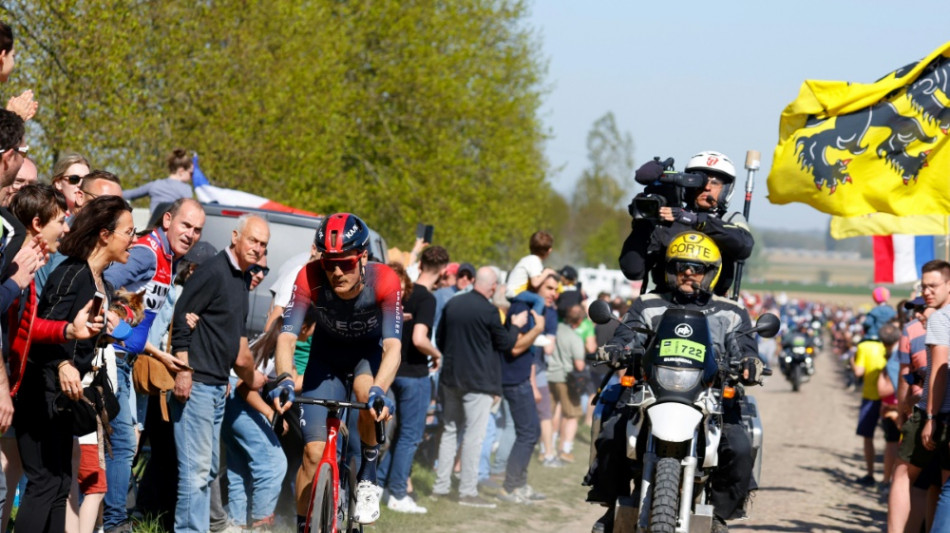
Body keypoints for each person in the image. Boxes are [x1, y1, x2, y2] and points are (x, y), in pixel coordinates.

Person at [586, 231, 763, 533]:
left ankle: (719, 513)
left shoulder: (731, 311)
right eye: (681, 267)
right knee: (612, 432)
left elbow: (744, 347)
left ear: (711, 273)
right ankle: (614, 504)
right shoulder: (647, 304)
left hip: (711, 395)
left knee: (739, 446)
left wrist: (750, 362)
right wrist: (617, 348)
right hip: (652, 392)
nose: (689, 274)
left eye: (697, 269)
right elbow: (626, 335)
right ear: (670, 270)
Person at [269, 212, 402, 532]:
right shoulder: (309, 276)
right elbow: (286, 336)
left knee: (365, 395)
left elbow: (393, 347)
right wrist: (285, 378)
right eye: (329, 263)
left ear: (364, 258)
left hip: (365, 360)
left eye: (346, 262)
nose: (337, 271)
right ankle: (305, 525)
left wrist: (380, 390)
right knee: (313, 455)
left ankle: (368, 473)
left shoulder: (385, 280)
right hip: (324, 362)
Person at [13, 195, 133, 533]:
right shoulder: (72, 273)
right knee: (43, 484)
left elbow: (75, 336)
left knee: (61, 482)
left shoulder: (101, 282)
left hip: (64, 399)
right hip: (41, 392)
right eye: (129, 231)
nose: (133, 240)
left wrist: (102, 338)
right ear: (105, 235)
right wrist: (64, 363)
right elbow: (37, 331)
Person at [100, 197, 203, 532]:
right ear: (168, 220)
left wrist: (157, 353)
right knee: (123, 443)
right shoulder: (148, 251)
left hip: (128, 357)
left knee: (121, 442)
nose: (190, 234)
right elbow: (103, 282)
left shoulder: (168, 256)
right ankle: (115, 522)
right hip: (111, 357)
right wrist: (117, 327)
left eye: (197, 230)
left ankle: (107, 519)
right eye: (185, 225)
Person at [169, 214, 269, 533]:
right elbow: (182, 318)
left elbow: (238, 345)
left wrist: (241, 378)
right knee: (195, 473)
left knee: (209, 469)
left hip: (217, 386)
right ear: (236, 236)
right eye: (252, 240)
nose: (257, 248)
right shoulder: (213, 271)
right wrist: (183, 370)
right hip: (195, 383)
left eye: (263, 244)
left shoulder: (241, 279)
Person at [431, 266, 524, 508]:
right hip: (478, 383)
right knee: (474, 436)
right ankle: (467, 492)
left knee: (450, 431)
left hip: (451, 378)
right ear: (492, 286)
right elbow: (505, 344)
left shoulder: (453, 304)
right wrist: (515, 325)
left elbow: (439, 338)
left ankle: (440, 488)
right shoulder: (490, 311)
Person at [618, 151, 754, 297]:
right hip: (664, 306)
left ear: (727, 189)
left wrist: (697, 221)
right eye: (699, 180)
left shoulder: (729, 219)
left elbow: (744, 245)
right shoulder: (668, 218)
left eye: (714, 182)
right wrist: (643, 223)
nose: (706, 187)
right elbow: (633, 270)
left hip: (714, 308)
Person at [378, 246, 445, 514]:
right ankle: (397, 493)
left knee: (397, 437)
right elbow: (419, 339)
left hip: (392, 370)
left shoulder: (403, 291)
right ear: (441, 270)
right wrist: (436, 353)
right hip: (414, 375)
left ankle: (382, 485)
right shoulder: (426, 298)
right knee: (410, 436)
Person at [496, 273, 552, 504]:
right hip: (513, 379)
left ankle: (519, 484)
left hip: (521, 378)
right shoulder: (521, 306)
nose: (553, 293)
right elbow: (515, 348)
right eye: (549, 287)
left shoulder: (529, 306)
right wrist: (537, 329)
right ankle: (510, 488)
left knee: (531, 433)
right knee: (528, 433)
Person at [547, 304, 587, 464]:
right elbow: (579, 365)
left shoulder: (554, 328)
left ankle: (548, 446)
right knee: (572, 415)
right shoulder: (574, 337)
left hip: (549, 375)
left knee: (553, 412)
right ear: (578, 321)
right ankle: (565, 449)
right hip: (566, 378)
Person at [853, 324, 890, 485]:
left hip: (870, 396)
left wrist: (852, 361)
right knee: (891, 440)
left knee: (868, 437)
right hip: (889, 397)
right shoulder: (887, 345)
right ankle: (889, 479)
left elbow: (858, 372)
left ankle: (870, 474)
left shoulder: (863, 346)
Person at [122, 148, 195, 214]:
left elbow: (129, 194)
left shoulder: (154, 185)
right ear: (181, 171)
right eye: (191, 173)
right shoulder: (186, 188)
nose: (192, 177)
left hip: (153, 227)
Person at [505, 230, 559, 316]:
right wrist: (547, 271)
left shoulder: (529, 259)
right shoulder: (534, 261)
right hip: (515, 292)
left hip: (514, 292)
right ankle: (535, 320)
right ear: (549, 251)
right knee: (539, 300)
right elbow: (535, 283)